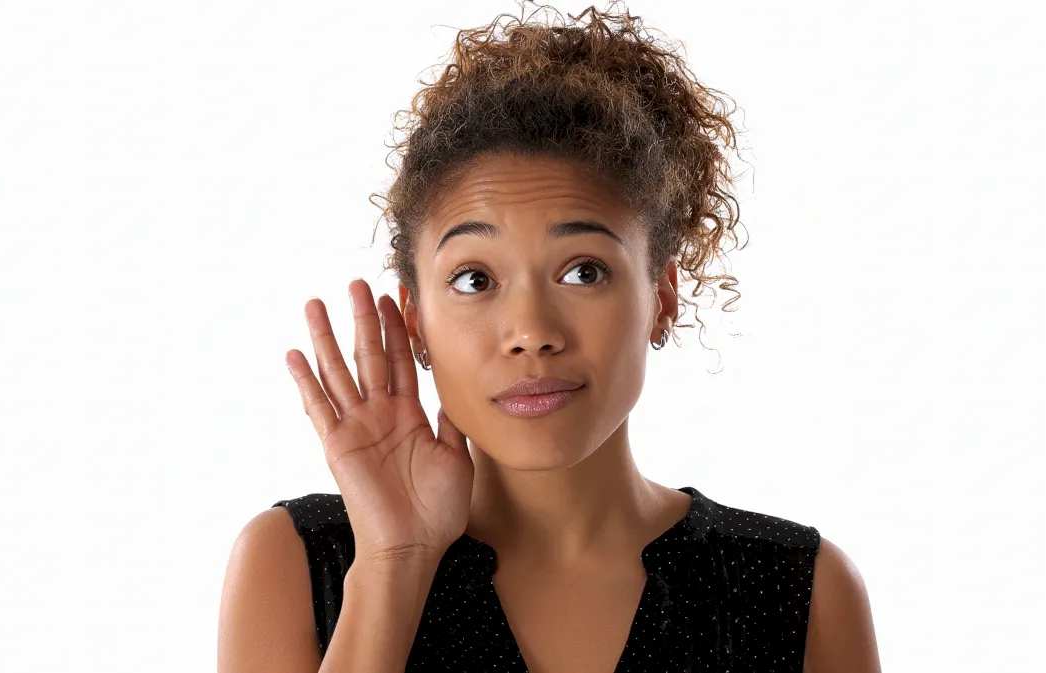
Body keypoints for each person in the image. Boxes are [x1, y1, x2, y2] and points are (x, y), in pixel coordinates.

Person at [217, 2, 881, 671]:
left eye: (583, 270)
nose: (532, 332)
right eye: (476, 279)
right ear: (415, 320)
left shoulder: (800, 591)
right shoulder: (297, 564)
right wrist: (394, 561)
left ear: (663, 297)